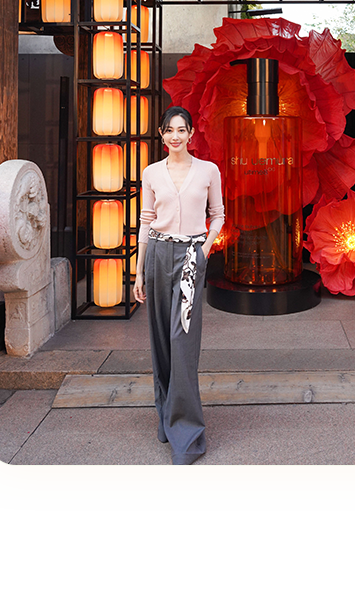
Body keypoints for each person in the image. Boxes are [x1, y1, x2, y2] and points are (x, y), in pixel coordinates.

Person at [133, 105, 224, 464]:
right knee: (160, 340)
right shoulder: (151, 173)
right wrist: (138, 271)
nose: (175, 136)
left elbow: (218, 215)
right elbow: (146, 220)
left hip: (189, 259)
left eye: (181, 130)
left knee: (181, 340)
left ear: (191, 134)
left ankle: (188, 435)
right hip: (157, 254)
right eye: (169, 130)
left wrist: (203, 251)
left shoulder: (208, 171)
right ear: (161, 134)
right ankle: (166, 419)